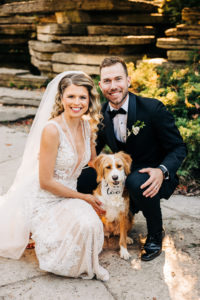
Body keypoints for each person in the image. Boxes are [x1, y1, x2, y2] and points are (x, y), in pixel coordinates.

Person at [0, 71, 109, 281]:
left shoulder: (87, 126)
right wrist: (85, 197)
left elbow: (94, 162)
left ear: (89, 100)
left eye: (82, 97)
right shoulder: (52, 130)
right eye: (71, 96)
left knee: (91, 226)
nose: (76, 102)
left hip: (68, 195)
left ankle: (87, 262)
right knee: (84, 228)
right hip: (46, 198)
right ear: (61, 98)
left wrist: (116, 174)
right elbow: (46, 182)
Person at [77, 56, 187, 261]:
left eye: (118, 79)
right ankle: (92, 225)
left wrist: (162, 170)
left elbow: (179, 148)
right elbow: (93, 150)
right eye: (107, 81)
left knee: (137, 181)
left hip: (152, 175)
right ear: (101, 86)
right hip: (119, 173)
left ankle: (155, 234)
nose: (113, 86)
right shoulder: (100, 113)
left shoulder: (153, 109)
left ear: (128, 81)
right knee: (82, 178)